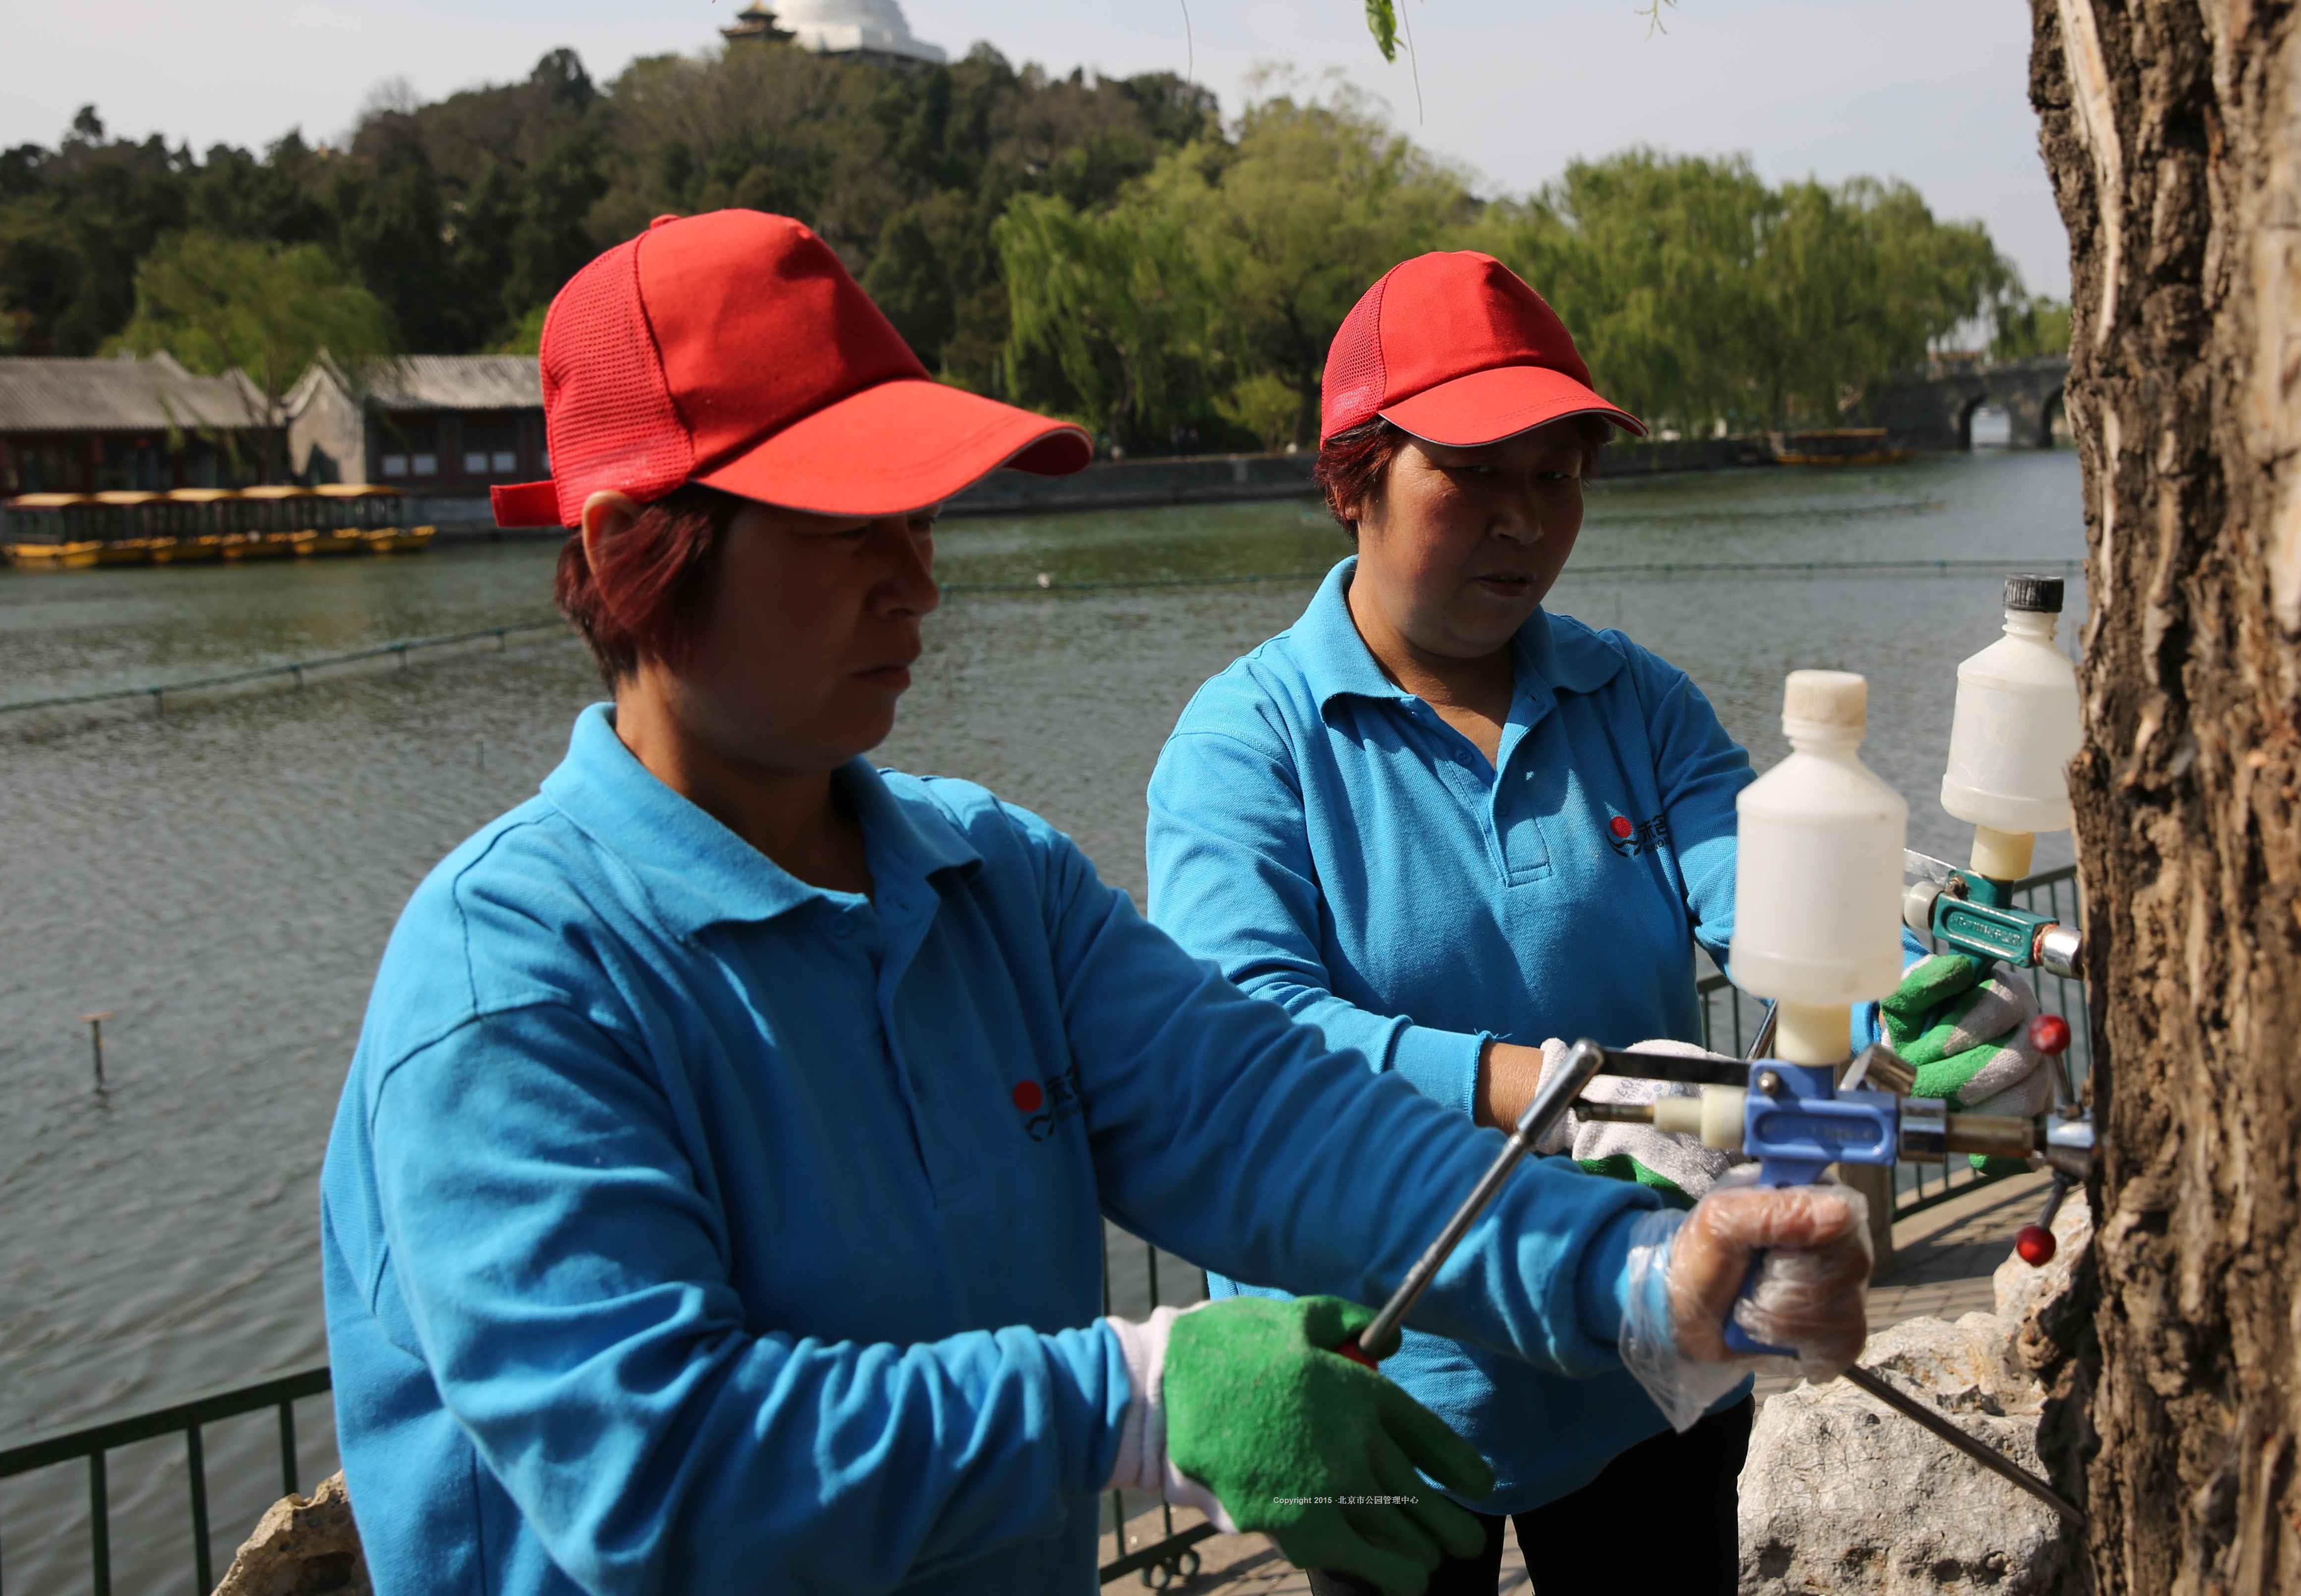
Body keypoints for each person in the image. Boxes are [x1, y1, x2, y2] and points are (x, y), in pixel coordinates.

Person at [316, 212, 1874, 1596]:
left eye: (921, 520)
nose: (916, 582)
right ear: (631, 552)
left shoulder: (989, 881)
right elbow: (649, 1472)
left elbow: (1267, 1116)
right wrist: (1130, 1400)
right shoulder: (517, 980)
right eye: (845, 530)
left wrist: (1628, 1274)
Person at [1144, 252, 2051, 1593]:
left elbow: (1773, 895)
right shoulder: (1246, 744)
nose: (1524, 519)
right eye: (1473, 474)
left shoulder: (1634, 700)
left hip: (1645, 1334)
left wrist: (1907, 996)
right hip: (1382, 1371)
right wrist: (1568, 1091)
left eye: (1557, 474)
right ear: (1352, 480)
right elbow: (1252, 1034)